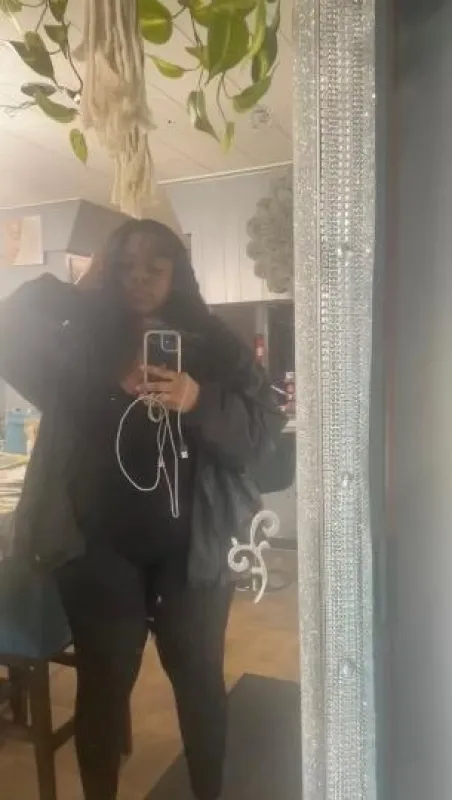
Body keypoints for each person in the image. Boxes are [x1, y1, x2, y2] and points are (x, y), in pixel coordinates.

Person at [0, 218, 284, 800]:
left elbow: (261, 440)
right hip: (97, 549)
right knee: (104, 689)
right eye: (124, 265)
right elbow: (8, 328)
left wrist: (197, 399)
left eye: (155, 265)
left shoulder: (214, 342)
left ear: (178, 271)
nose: (139, 277)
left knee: (200, 683)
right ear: (106, 270)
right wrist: (78, 296)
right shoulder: (79, 340)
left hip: (194, 551)